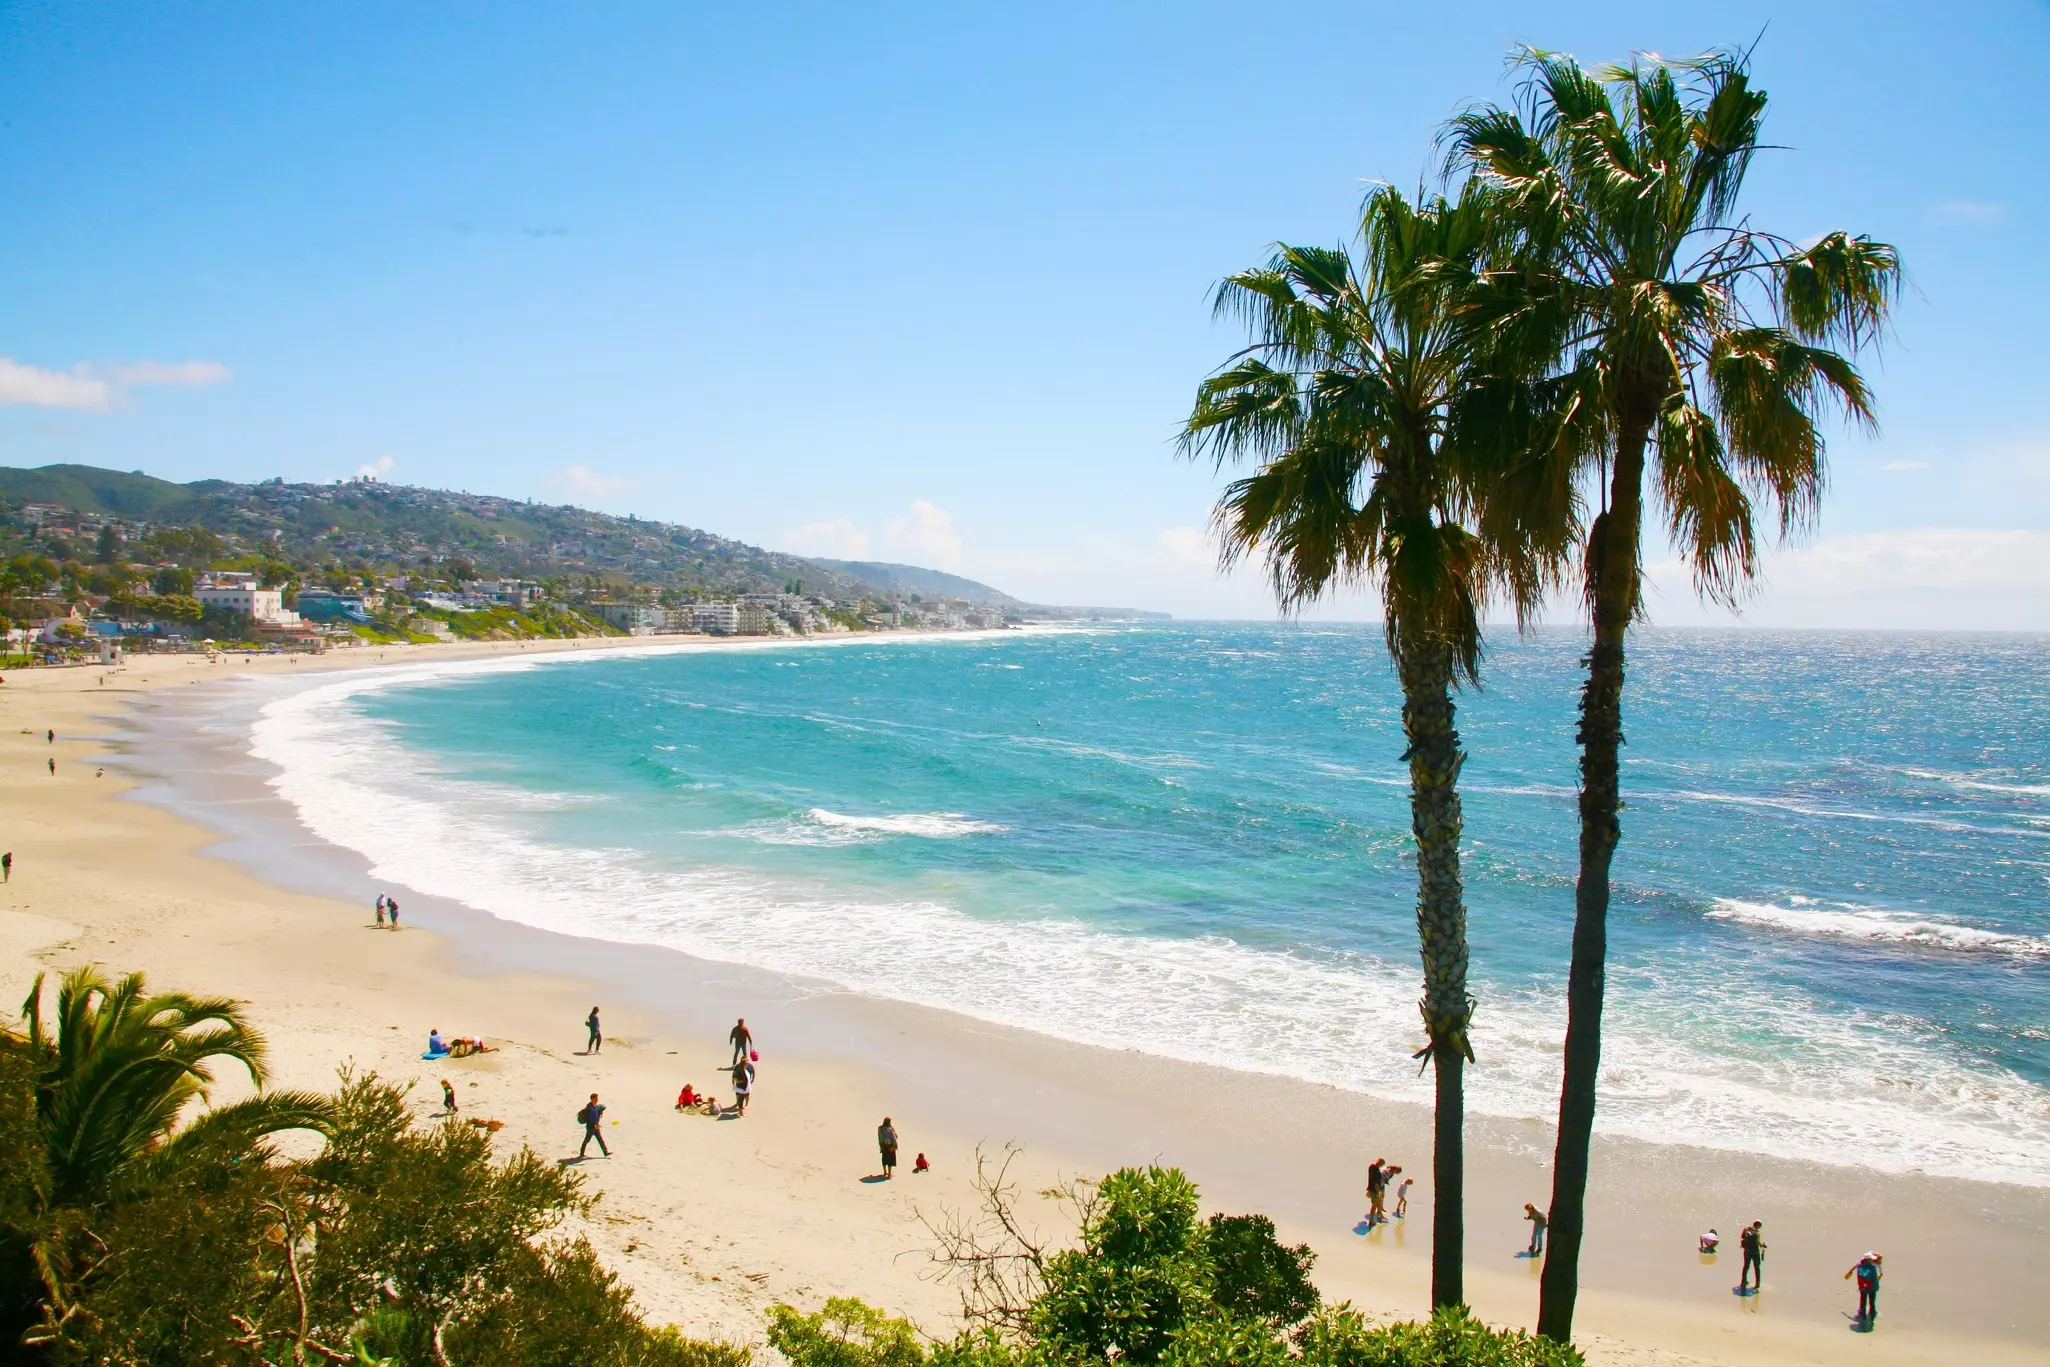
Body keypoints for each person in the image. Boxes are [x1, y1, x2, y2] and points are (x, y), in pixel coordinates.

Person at [1845, 1251, 1882, 1322]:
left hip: (1862, 1287)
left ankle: (1862, 1315)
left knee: (1863, 1301)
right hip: (1872, 1288)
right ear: (1869, 1260)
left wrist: (1849, 1272)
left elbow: (1854, 1267)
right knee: (1872, 1301)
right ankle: (1872, 1313)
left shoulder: (1860, 1264)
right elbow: (1875, 1279)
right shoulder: (1872, 1266)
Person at [578, 1093, 610, 1157]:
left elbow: (596, 1115)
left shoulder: (594, 1107)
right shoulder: (589, 1108)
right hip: (591, 1127)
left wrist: (597, 1123)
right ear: (592, 1099)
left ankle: (605, 1152)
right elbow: (591, 1118)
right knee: (587, 1140)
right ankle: (581, 1153)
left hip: (595, 1126)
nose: (597, 1100)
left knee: (600, 1139)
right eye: (596, 1099)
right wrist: (594, 1124)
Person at [1739, 1221, 1765, 1291]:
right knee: (1757, 1267)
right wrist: (1763, 1244)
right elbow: (1758, 1242)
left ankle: (1743, 1282)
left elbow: (1742, 1237)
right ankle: (1757, 1283)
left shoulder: (1746, 1229)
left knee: (1746, 1266)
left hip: (1747, 1251)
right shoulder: (1757, 1233)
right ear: (1758, 1226)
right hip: (1755, 1252)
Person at [1365, 1158, 1387, 1225]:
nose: (1381, 1166)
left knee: (1377, 1203)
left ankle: (1380, 1216)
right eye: (1382, 1165)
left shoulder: (1371, 1166)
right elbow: (1376, 1184)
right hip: (1374, 1191)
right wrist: (1378, 1192)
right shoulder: (1377, 1173)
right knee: (1374, 1205)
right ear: (1380, 1163)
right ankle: (1371, 1220)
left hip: (1370, 1188)